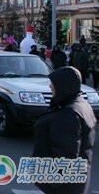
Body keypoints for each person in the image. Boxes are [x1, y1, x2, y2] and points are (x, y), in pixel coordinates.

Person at [33, 66, 96, 194]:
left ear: (63, 85)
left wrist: (54, 182)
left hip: (64, 186)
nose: (50, 87)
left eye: (53, 84)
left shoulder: (69, 113)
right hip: (75, 180)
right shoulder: (81, 104)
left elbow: (66, 154)